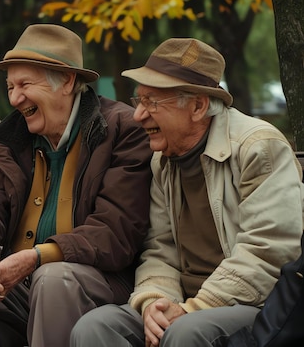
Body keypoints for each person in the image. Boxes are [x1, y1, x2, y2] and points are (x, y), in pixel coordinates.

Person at [0, 23, 152, 347]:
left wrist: (37, 258)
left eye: (24, 84)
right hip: (18, 287)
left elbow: (115, 231)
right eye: (10, 87)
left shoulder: (123, 129)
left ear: (66, 81)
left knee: (53, 279)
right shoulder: (9, 137)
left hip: (95, 284)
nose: (14, 98)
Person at [70, 38, 304, 347]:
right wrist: (155, 301)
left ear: (198, 106)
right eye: (138, 100)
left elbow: (268, 251)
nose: (138, 115)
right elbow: (159, 248)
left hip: (254, 305)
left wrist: (193, 309)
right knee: (94, 327)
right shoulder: (162, 160)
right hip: (186, 303)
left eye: (152, 102)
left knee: (184, 332)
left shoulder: (257, 147)